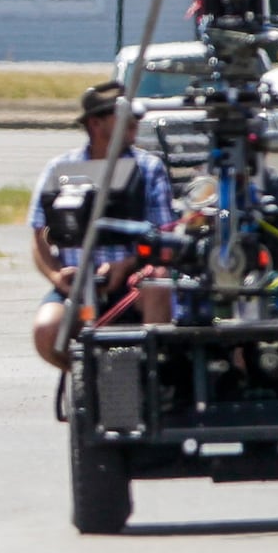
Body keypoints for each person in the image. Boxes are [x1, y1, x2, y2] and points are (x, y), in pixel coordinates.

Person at [30, 82, 176, 370]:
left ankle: (151, 378)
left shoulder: (149, 168)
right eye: (122, 115)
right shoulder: (60, 168)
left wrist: (126, 266)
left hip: (134, 283)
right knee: (46, 331)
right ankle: (93, 379)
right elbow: (39, 234)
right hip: (76, 286)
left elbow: (165, 234)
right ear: (96, 123)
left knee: (159, 283)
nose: (134, 121)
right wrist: (56, 276)